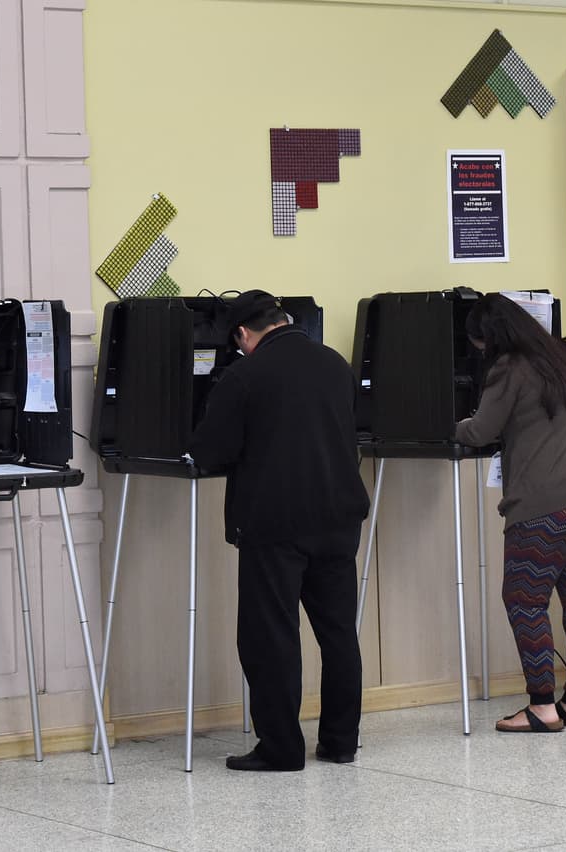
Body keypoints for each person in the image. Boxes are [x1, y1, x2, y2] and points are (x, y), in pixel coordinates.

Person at [189, 290, 370, 770]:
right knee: (338, 635)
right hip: (338, 519)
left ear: (243, 334)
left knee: (272, 638)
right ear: (284, 320)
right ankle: (340, 742)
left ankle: (281, 749)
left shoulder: (244, 375)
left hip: (274, 523)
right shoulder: (334, 364)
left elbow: (211, 451)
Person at [453, 294, 566, 733]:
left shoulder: (509, 367)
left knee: (525, 599)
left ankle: (542, 707)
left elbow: (481, 430)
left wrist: (441, 421)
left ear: (489, 339)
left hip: (550, 502)